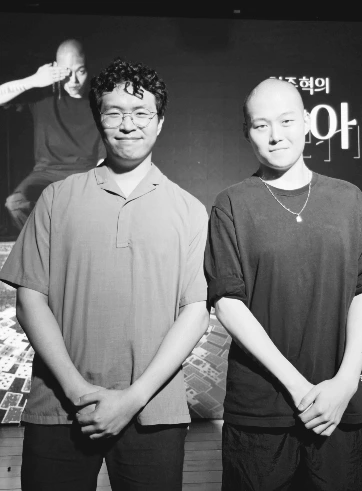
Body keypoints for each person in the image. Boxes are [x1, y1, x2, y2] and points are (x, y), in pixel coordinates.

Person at [0, 58, 209, 491]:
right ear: (99, 119)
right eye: (114, 113)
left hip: (154, 411)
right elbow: (30, 300)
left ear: (160, 122)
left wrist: (133, 398)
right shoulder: (57, 198)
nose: (128, 125)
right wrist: (77, 392)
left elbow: (195, 312)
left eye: (141, 113)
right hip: (60, 409)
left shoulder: (189, 210)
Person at [205, 78, 362, 491]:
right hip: (260, 415)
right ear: (247, 132)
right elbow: (227, 302)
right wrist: (300, 388)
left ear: (306, 121)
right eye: (261, 125)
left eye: (286, 121)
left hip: (338, 407)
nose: (275, 135)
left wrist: (345, 383)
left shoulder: (349, 199)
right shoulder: (231, 203)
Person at [0, 39, 105, 232]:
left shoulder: (101, 104)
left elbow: (103, 160)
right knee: (16, 203)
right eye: (67, 72)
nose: (73, 81)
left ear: (89, 69)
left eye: (80, 72)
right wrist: (33, 80)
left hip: (84, 176)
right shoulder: (42, 97)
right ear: (56, 69)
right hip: (45, 175)